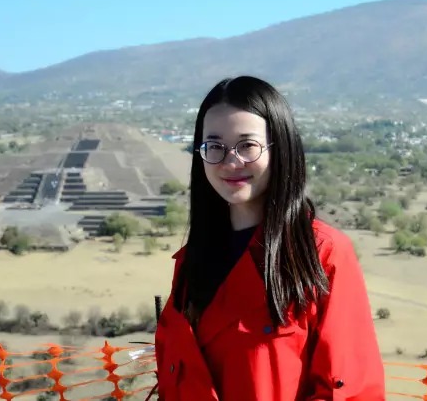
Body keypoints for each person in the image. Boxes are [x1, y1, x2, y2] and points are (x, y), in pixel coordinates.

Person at [153, 76, 385, 400]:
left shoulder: (321, 254)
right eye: (215, 146)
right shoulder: (192, 260)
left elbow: (348, 391)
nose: (231, 162)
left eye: (247, 145)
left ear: (281, 149)